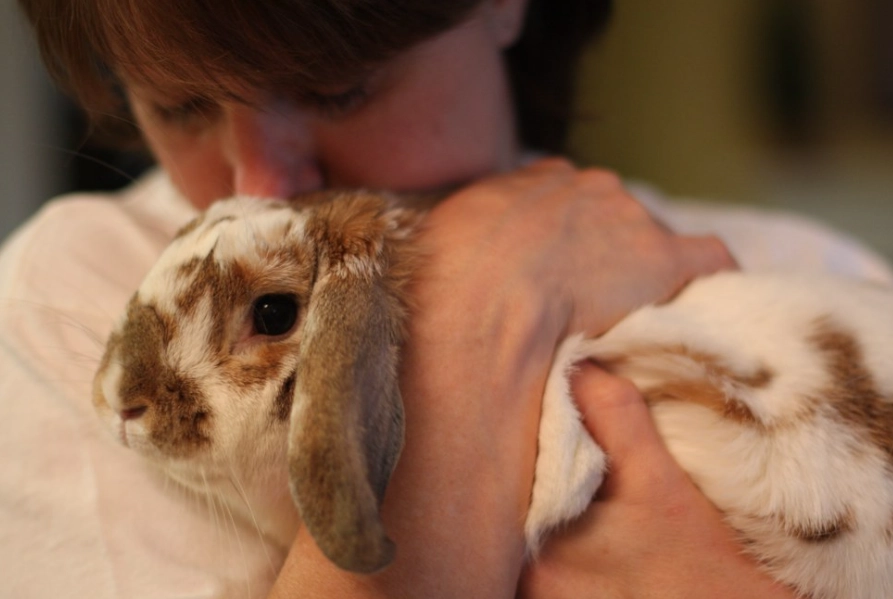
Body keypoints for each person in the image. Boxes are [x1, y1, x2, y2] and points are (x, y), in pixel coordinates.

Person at [2, 0, 890, 597]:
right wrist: (484, 300)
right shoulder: (78, 303)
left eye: (335, 89)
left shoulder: (808, 267)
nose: (265, 184)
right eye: (183, 106)